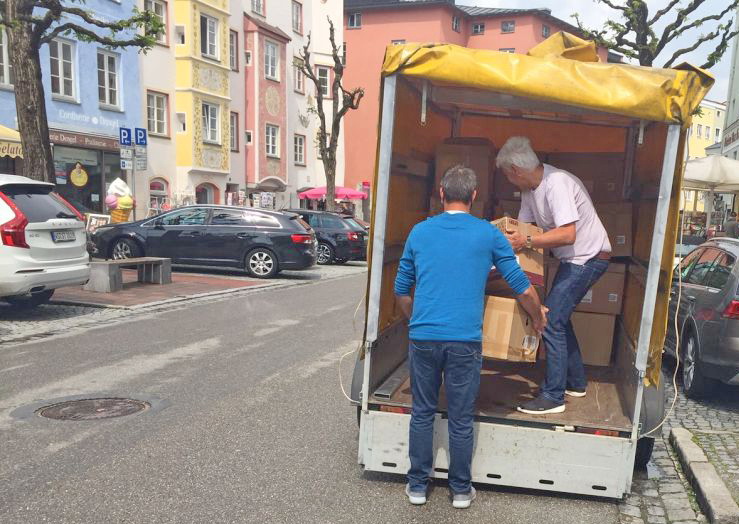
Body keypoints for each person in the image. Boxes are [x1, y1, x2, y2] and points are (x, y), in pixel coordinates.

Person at [394, 165, 547, 508]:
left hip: (424, 337)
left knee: (422, 411)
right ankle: (461, 490)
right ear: (474, 196)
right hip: (464, 340)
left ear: (441, 194)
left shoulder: (420, 231)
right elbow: (522, 288)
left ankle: (417, 486)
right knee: (461, 417)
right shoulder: (487, 234)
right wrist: (538, 317)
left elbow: (401, 289)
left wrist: (415, 321)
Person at [496, 136, 612, 415]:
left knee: (549, 321)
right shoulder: (530, 190)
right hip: (574, 259)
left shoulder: (556, 183)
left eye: (507, 175)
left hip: (588, 258)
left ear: (516, 170)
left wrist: (525, 241)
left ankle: (553, 396)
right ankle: (575, 382)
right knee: (558, 318)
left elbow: (567, 234)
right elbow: (525, 229)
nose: (509, 181)